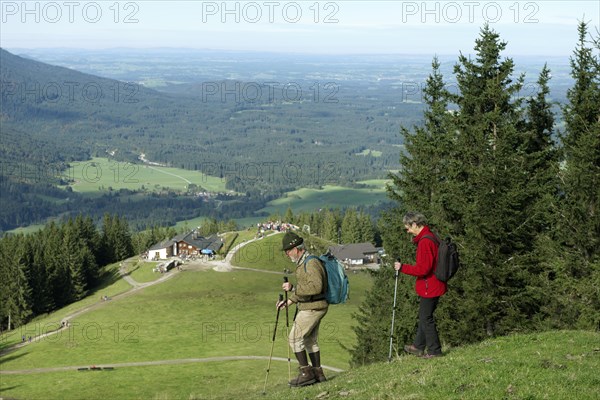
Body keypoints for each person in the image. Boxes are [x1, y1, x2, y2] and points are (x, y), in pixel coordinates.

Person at [277, 231, 328, 387]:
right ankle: (318, 373)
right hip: (314, 305)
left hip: (312, 307)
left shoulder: (311, 263)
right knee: (309, 340)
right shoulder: (303, 262)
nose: (286, 253)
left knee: (294, 338)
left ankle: (306, 373)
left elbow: (316, 287)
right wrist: (290, 301)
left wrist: (293, 287)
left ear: (296, 248)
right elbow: (305, 289)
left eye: (288, 250)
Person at [394, 211, 446, 358]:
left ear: (415, 224)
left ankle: (435, 351)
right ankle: (418, 346)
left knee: (426, 318)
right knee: (425, 315)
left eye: (408, 227)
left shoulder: (425, 242)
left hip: (430, 286)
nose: (408, 231)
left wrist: (402, 267)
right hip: (435, 284)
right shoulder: (431, 236)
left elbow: (423, 269)